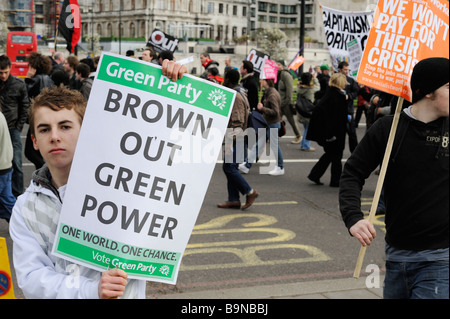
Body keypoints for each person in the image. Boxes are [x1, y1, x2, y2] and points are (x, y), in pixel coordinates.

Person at [9, 60, 188, 299]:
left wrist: (171, 87)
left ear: (86, 130)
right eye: (44, 129)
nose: (54, 137)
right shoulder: (25, 208)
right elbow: (32, 279)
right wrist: (91, 290)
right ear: (33, 141)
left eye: (65, 126)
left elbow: (161, 148)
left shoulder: (126, 187)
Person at [339, 57, 449, 299]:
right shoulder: (388, 128)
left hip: (441, 259)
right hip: (396, 254)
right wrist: (353, 217)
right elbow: (352, 173)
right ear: (429, 91)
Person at [217, 69, 259, 210]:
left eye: (224, 78)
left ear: (228, 79)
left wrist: (229, 142)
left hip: (237, 138)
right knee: (232, 167)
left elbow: (236, 122)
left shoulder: (235, 96)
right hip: (241, 137)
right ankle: (233, 199)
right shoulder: (240, 92)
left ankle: (249, 192)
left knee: (228, 167)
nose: (223, 79)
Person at [306, 73, 348, 187]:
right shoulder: (339, 96)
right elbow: (340, 117)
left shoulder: (329, 94)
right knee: (336, 157)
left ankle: (315, 174)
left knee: (329, 155)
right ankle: (335, 181)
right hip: (336, 132)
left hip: (329, 133)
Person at [241, 75, 285, 176]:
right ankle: (246, 166)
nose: (260, 81)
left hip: (273, 123)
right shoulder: (269, 92)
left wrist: (262, 109)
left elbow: (276, 112)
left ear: (266, 81)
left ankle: (280, 167)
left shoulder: (272, 94)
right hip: (269, 123)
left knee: (274, 146)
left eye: (262, 80)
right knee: (259, 145)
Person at [0, 55, 29, 198]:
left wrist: (18, 127)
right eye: (0, 73)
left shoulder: (18, 84)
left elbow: (25, 106)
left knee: (16, 162)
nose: (3, 75)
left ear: (10, 69)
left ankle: (18, 195)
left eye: (5, 72)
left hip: (12, 128)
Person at [25, 52, 55, 170]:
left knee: (30, 151)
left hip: (37, 118)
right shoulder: (49, 79)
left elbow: (24, 93)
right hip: (46, 117)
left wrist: (27, 78)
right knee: (37, 150)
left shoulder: (35, 80)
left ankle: (45, 171)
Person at [276, 60, 301, 144]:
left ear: (283, 66)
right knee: (275, 119)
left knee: (291, 121)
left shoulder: (286, 75)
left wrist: (286, 102)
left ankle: (298, 136)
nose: (277, 66)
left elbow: (289, 91)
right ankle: (270, 136)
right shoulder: (279, 75)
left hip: (286, 103)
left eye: (279, 65)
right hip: (280, 102)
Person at [338, 61, 359, 153]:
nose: (346, 71)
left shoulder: (351, 80)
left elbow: (355, 92)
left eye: (348, 69)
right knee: (339, 133)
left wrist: (349, 96)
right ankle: (338, 151)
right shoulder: (335, 79)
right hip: (337, 111)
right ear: (340, 69)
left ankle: (355, 152)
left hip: (348, 111)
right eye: (345, 69)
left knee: (352, 133)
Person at [297, 72, 320, 152]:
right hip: (308, 110)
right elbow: (318, 87)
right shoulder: (311, 89)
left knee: (306, 127)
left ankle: (303, 144)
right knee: (308, 129)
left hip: (301, 110)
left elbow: (299, 83)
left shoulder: (299, 88)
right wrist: (315, 79)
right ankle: (306, 145)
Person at [0, 109, 16, 223]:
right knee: (7, 201)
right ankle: (22, 225)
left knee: (7, 201)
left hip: (1, 167)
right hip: (5, 164)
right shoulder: (1, 114)